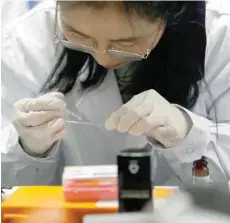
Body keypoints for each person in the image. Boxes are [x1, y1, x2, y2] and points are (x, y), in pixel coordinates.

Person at [1, 0, 230, 188]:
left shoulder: (221, 37)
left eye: (127, 43)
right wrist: (26, 147)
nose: (104, 58)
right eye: (77, 34)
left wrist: (187, 134)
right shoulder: (25, 41)